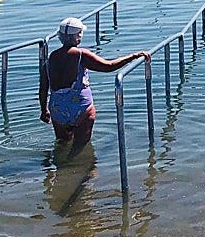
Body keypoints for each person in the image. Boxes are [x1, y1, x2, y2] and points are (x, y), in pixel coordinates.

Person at [38, 17, 151, 150]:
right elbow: (109, 66)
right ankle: (85, 169)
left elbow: (43, 88)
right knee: (81, 148)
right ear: (78, 36)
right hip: (80, 106)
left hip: (57, 108)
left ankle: (58, 168)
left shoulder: (51, 58)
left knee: (62, 144)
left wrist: (44, 110)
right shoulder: (81, 55)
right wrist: (133, 56)